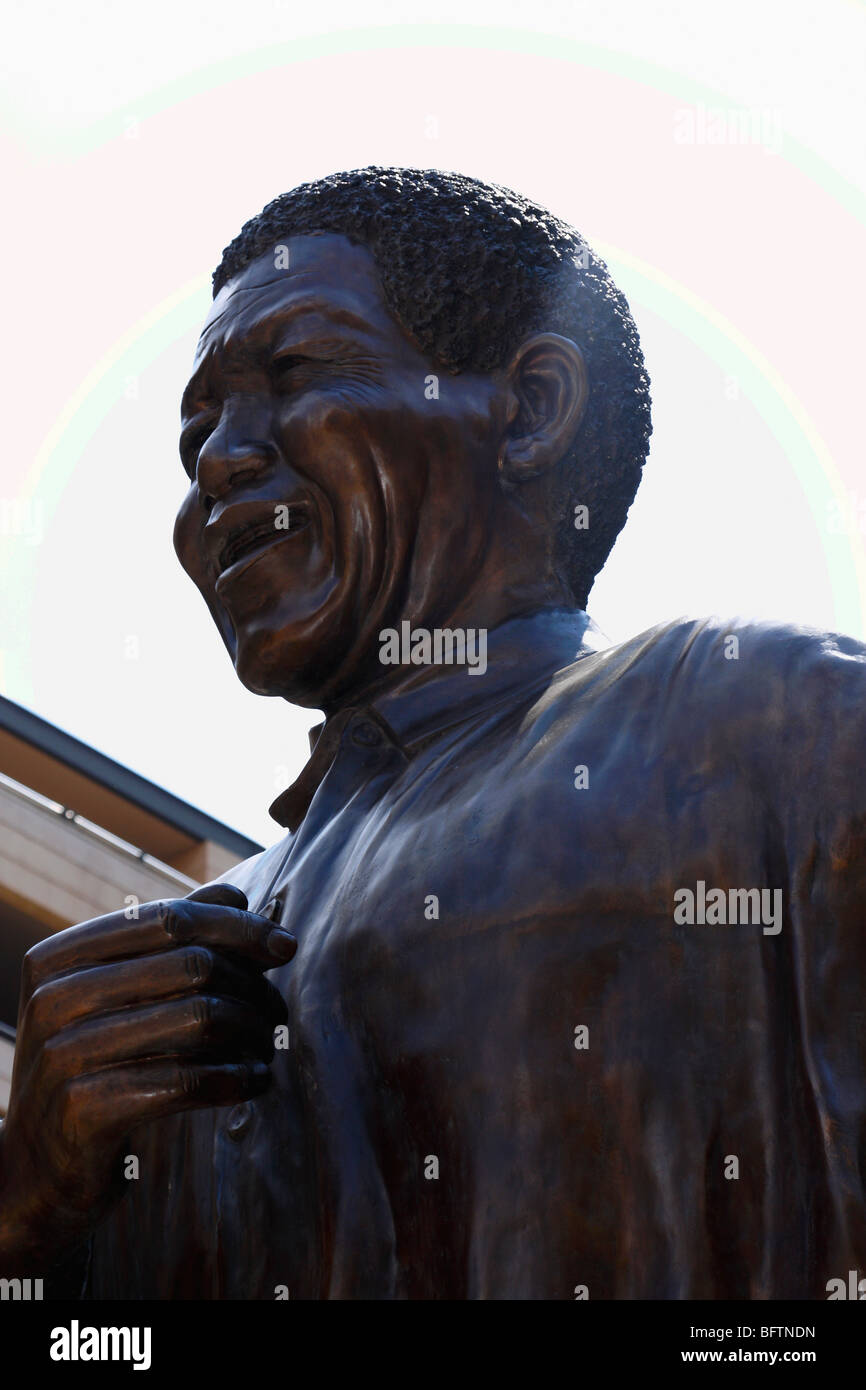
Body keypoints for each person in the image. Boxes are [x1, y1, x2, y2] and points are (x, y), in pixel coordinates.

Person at [1, 167, 863, 1299]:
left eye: (294, 373)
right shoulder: (171, 968)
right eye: (194, 434)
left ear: (532, 408)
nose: (216, 459)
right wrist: (27, 1206)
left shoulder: (762, 717)